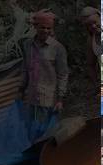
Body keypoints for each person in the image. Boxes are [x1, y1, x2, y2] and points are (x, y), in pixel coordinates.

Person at [20, 10, 68, 143]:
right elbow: (25, 68)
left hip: (48, 97)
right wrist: (21, 89)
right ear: (35, 27)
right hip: (30, 95)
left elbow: (63, 74)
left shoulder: (58, 48)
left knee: (46, 133)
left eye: (49, 28)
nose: (46, 31)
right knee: (29, 128)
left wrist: (60, 99)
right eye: (42, 27)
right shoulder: (27, 45)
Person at [79, 6, 100, 119]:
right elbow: (90, 65)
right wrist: (96, 84)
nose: (93, 26)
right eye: (88, 25)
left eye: (95, 22)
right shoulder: (91, 41)